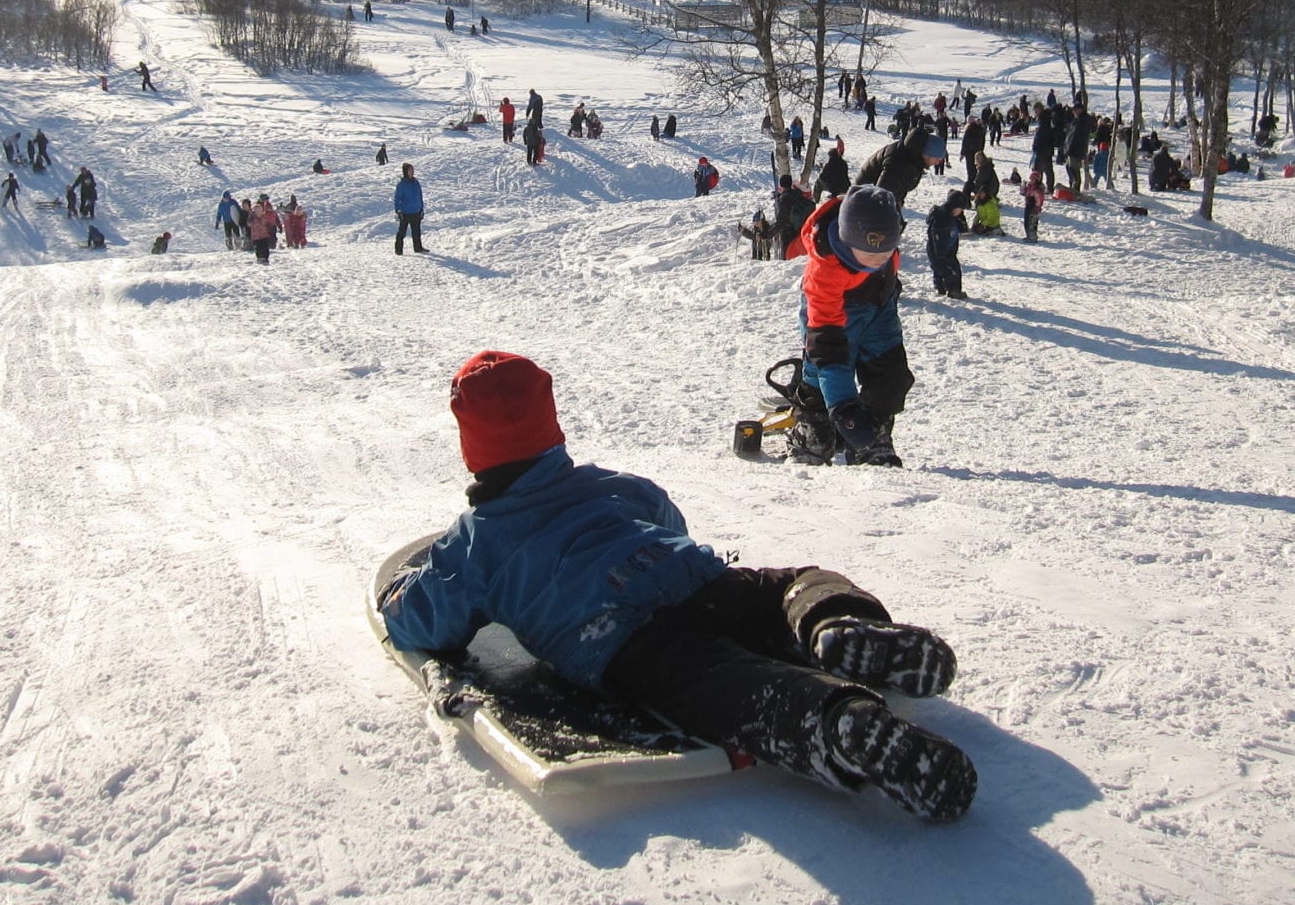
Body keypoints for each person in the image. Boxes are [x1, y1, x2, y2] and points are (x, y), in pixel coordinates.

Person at [378, 351, 975, 822]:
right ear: (550, 424)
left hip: (624, 638)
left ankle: (836, 724)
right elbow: (665, 515)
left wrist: (400, 599)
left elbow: (423, 619)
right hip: (694, 576)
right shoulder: (605, 483)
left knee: (726, 686)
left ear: (472, 447)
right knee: (787, 588)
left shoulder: (476, 542)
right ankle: (831, 622)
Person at [790, 186, 912, 467]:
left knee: (889, 375)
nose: (878, 261)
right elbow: (828, 348)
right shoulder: (826, 270)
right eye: (869, 255)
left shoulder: (878, 249)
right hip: (830, 318)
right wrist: (844, 407)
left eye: (885, 255)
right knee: (822, 376)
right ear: (847, 241)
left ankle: (872, 438)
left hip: (879, 310)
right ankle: (812, 435)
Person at [854, 127, 935, 207]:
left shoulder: (911, 156)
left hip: (874, 191)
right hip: (864, 193)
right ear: (919, 147)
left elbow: (902, 182)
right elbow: (882, 196)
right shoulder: (898, 161)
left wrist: (899, 199)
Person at [925, 191, 968, 299]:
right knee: (950, 270)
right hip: (940, 249)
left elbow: (963, 228)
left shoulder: (950, 215)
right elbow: (937, 237)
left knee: (941, 269)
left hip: (947, 248)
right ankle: (953, 291)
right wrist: (940, 254)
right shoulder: (942, 218)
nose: (961, 212)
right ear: (954, 206)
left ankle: (941, 288)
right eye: (960, 209)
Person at [774, 175, 813, 259]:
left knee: (789, 258)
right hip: (801, 232)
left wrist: (768, 233)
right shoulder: (799, 195)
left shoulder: (785, 199)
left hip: (789, 235)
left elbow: (781, 221)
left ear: (781, 185)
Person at [394, 163, 427, 255]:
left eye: (413, 169)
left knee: (416, 232)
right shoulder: (401, 185)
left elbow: (419, 196)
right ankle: (398, 250)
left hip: (416, 211)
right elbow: (397, 198)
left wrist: (421, 208)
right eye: (410, 170)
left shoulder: (416, 182)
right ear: (405, 171)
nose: (412, 171)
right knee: (402, 232)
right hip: (405, 213)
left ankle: (418, 248)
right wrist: (398, 210)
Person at [249, 194, 279, 263]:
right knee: (258, 247)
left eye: (260, 211)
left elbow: (270, 221)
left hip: (264, 235)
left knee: (265, 247)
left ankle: (265, 257)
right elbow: (249, 223)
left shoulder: (264, 215)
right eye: (257, 212)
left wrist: (271, 228)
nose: (258, 213)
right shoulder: (253, 217)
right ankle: (259, 257)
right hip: (256, 236)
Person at [1021, 172, 1046, 243]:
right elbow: (1024, 193)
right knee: (1026, 222)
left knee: (1032, 223)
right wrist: (1023, 187)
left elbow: (1040, 199)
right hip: (1028, 206)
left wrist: (1037, 207)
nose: (1031, 180)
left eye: (1033, 179)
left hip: (1034, 208)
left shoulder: (1038, 189)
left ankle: (1032, 237)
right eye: (1030, 179)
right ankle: (1029, 235)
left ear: (1037, 180)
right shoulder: (1029, 186)